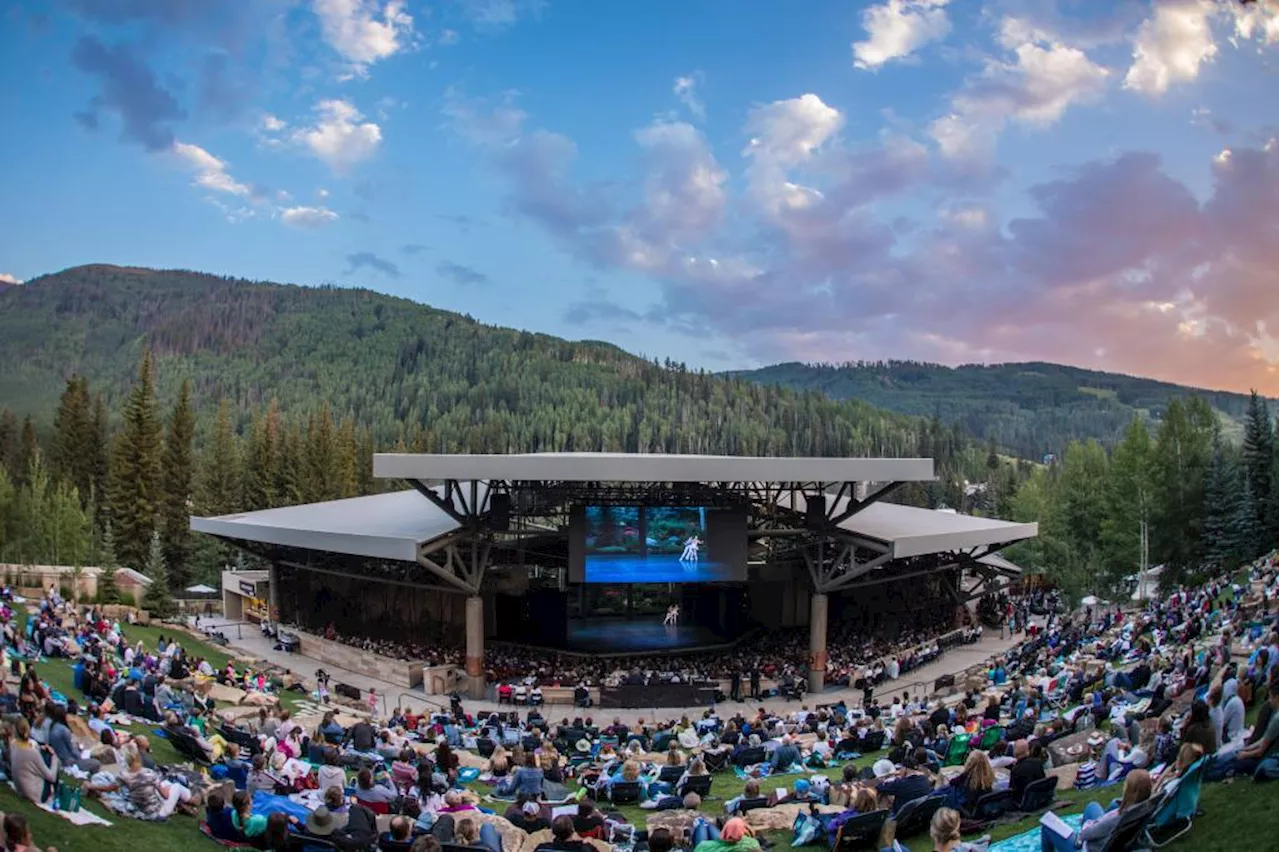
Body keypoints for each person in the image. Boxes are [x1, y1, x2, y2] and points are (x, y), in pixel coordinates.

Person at [1039, 769, 1152, 852]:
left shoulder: (1117, 819)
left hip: (1089, 847)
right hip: (1110, 839)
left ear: (1129, 790)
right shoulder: (1144, 807)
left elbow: (1085, 834)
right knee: (1093, 806)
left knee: (1047, 825)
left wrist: (1088, 825)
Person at [8, 716, 58, 805]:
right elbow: (52, 777)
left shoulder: (13, 744)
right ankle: (57, 795)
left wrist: (39, 748)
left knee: (44, 753)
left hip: (20, 787)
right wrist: (55, 758)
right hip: (35, 794)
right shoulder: (32, 752)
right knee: (50, 757)